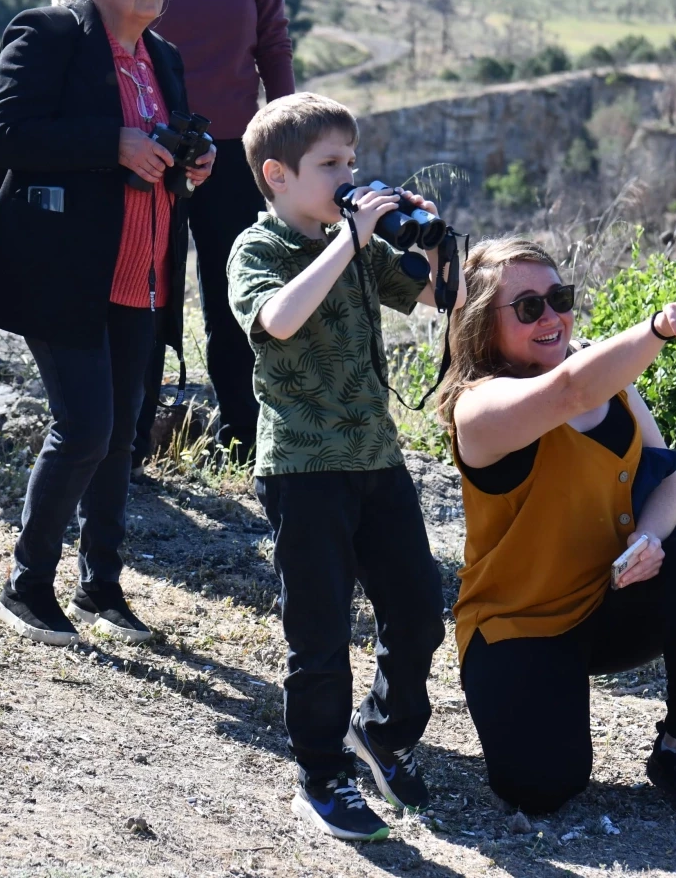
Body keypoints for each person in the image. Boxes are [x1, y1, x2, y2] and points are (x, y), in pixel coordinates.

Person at [439, 237, 676, 821]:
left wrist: (651, 538)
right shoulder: (478, 409)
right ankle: (542, 699)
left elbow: (665, 476)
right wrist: (657, 328)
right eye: (528, 308)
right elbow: (570, 392)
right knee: (542, 786)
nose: (552, 316)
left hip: (607, 600)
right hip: (520, 624)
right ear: (483, 327)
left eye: (560, 296)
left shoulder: (600, 370)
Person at [0, 0, 214, 648]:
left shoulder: (162, 56)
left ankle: (101, 587)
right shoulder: (47, 34)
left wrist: (192, 160)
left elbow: (163, 143)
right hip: (63, 270)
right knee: (85, 427)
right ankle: (26, 584)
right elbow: (6, 134)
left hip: (140, 271)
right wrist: (114, 144)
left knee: (120, 435)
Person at [226, 93, 446, 843]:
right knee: (317, 632)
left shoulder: (352, 242)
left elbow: (433, 295)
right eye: (332, 165)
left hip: (376, 457)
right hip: (303, 466)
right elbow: (278, 320)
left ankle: (380, 736)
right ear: (277, 175)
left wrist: (431, 236)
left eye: (353, 161)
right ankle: (321, 775)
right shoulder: (259, 250)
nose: (350, 176)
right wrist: (347, 242)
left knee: (417, 607)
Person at [132, 0, 295, 462]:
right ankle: (132, 437)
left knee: (233, 294)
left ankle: (244, 438)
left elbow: (273, 45)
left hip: (234, 152)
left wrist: (285, 132)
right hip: (154, 150)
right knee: (147, 290)